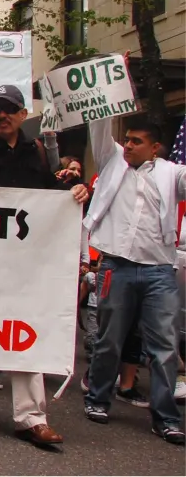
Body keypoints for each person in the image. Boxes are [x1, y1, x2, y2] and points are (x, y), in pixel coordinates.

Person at [0, 85, 89, 447]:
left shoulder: (38, 152)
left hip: (27, 266)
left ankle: (32, 417)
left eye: (9, 109)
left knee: (26, 332)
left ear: (23, 114)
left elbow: (50, 196)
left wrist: (75, 192)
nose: (2, 115)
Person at [82, 115, 186, 445]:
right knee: (109, 339)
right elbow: (98, 124)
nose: (127, 145)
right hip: (117, 267)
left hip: (159, 272)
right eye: (126, 139)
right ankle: (97, 400)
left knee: (164, 348)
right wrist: (106, 95)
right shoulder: (112, 160)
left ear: (155, 148)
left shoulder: (173, 173)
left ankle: (166, 418)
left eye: (136, 141)